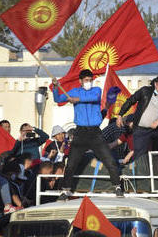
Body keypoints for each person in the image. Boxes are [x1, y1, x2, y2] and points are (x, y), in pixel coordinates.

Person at [52, 69, 123, 199]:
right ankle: (65, 190)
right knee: (72, 163)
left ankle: (117, 186)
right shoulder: (74, 91)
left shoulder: (96, 90)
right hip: (80, 132)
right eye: (86, 80)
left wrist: (76, 99)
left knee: (109, 160)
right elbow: (57, 99)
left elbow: (93, 98)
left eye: (90, 80)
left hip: (95, 133)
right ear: (80, 81)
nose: (89, 82)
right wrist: (56, 88)